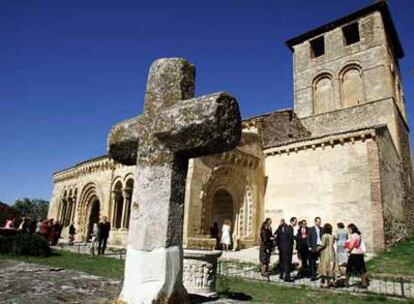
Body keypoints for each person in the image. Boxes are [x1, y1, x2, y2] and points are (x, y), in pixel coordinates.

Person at [345, 223, 368, 288]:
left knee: (349, 268)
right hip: (360, 253)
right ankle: (364, 283)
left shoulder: (353, 235)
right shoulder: (359, 235)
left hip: (354, 253)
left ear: (352, 229)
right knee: (361, 269)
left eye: (349, 229)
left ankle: (346, 282)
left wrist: (348, 250)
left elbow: (352, 245)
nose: (348, 231)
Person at [317, 223, 340, 288]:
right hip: (332, 251)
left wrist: (318, 248)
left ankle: (326, 283)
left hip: (326, 252)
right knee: (332, 266)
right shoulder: (332, 236)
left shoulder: (324, 236)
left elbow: (323, 245)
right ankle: (332, 281)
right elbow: (333, 242)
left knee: (325, 266)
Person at [275, 217, 296, 282]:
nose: (296, 223)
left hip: (283, 248)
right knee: (287, 262)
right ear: (292, 221)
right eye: (295, 221)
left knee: (283, 262)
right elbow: (290, 238)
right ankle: (287, 277)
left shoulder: (286, 228)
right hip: (287, 248)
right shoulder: (290, 228)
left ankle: (281, 275)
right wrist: (297, 237)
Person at [308, 216, 323, 281]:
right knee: (313, 261)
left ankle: (322, 274)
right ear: (315, 222)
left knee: (322, 261)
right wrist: (309, 246)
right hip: (314, 247)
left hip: (320, 246)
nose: (319, 223)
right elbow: (308, 239)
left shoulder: (322, 229)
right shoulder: (311, 229)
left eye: (320, 221)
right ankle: (313, 275)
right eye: (318, 221)